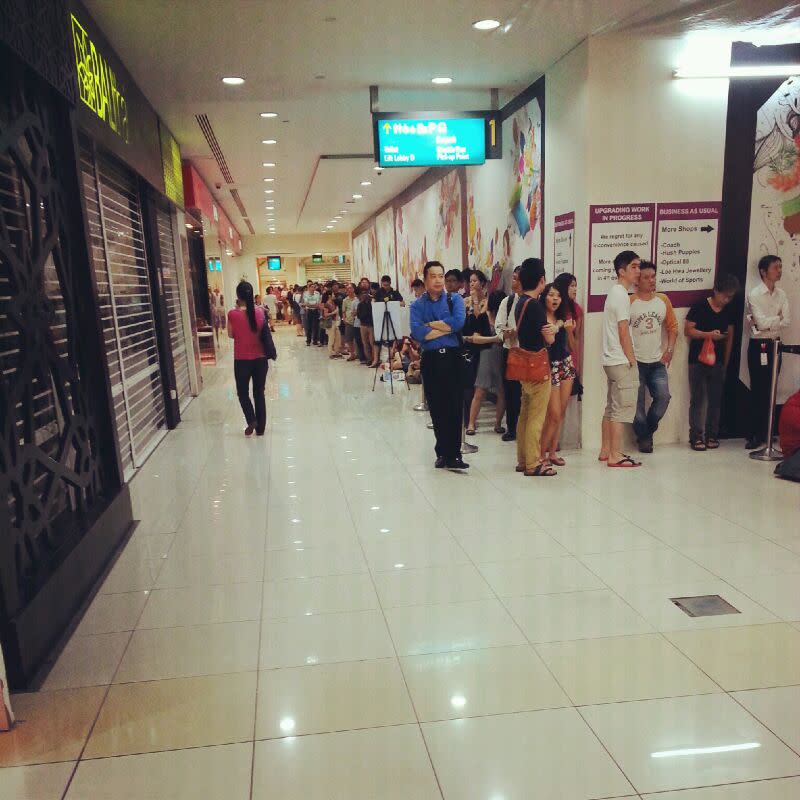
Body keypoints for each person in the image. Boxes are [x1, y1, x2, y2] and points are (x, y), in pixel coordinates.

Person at [410, 260, 468, 470]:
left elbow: (458, 323)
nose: (438, 280)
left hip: (453, 357)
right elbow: (417, 332)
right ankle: (442, 452)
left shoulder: (455, 300)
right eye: (433, 276)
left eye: (440, 276)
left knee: (454, 406)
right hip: (431, 360)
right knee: (436, 408)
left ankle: (454, 454)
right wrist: (446, 328)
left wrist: (431, 327)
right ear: (425, 280)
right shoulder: (417, 305)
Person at [629, 261, 678, 453]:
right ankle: (644, 437)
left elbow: (673, 327)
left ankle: (646, 432)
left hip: (657, 361)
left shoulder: (663, 300)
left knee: (664, 397)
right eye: (646, 277)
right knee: (636, 405)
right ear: (637, 282)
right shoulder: (630, 302)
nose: (651, 281)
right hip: (636, 362)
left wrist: (670, 350)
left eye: (653, 276)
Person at [685, 274, 739, 450]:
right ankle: (696, 436)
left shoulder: (729, 311)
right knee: (697, 399)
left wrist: (726, 360)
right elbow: (688, 331)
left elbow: (729, 336)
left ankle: (712, 434)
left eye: (730, 296)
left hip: (718, 361)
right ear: (716, 290)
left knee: (715, 400)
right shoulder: (700, 306)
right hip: (697, 359)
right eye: (724, 295)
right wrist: (708, 335)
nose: (726, 299)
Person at [514, 258, 556, 476]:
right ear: (541, 280)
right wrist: (554, 331)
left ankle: (522, 459)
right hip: (538, 366)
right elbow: (548, 339)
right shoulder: (537, 307)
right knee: (536, 417)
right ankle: (533, 463)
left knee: (525, 414)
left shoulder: (520, 303)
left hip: (524, 365)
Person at [599, 250, 641, 467]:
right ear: (621, 271)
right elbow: (623, 330)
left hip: (610, 360)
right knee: (620, 408)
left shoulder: (614, 292)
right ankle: (615, 455)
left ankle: (606, 450)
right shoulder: (621, 294)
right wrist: (632, 360)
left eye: (638, 266)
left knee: (610, 406)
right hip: (619, 360)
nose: (638, 271)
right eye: (634, 267)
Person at [746, 255, 791, 449]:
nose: (779, 270)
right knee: (759, 389)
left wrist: (769, 322)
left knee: (772, 389)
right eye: (775, 267)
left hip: (776, 344)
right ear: (764, 272)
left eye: (781, 267)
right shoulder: (754, 294)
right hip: (759, 346)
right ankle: (755, 433)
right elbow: (760, 323)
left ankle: (768, 431)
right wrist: (776, 320)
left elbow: (787, 321)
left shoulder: (781, 294)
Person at [539, 282, 577, 467]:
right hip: (549, 366)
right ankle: (540, 454)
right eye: (551, 295)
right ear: (544, 296)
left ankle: (552, 452)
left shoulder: (561, 317)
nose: (555, 299)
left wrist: (560, 325)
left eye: (558, 296)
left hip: (566, 363)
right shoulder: (540, 316)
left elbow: (565, 326)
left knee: (561, 412)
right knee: (552, 414)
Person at [227, 281, 268, 436]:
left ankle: (251, 420)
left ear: (238, 296)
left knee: (243, 393)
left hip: (242, 359)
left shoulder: (233, 314)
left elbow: (231, 335)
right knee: (259, 392)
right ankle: (261, 428)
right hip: (261, 359)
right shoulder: (260, 312)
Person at [465, 289, 507, 435]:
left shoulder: (505, 319)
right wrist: (494, 339)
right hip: (487, 355)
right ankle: (471, 424)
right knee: (480, 389)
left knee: (502, 391)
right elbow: (476, 338)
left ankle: (497, 424)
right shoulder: (483, 317)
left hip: (501, 355)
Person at [495, 266, 522, 441]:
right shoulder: (508, 301)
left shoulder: (536, 301)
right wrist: (506, 334)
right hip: (510, 352)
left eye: (517, 278)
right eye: (512, 278)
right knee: (511, 392)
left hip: (528, 352)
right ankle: (512, 428)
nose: (514, 282)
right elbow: (498, 326)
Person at [553, 272, 583, 375]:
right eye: (572, 286)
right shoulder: (554, 308)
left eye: (576, 286)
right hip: (553, 358)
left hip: (570, 359)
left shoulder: (577, 309)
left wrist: (577, 363)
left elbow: (577, 339)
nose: (575, 289)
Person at [356, 288, 377, 366]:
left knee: (372, 343)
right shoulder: (360, 304)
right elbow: (359, 315)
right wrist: (365, 315)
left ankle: (375, 358)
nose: (365, 295)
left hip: (371, 326)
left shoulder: (372, 304)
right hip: (363, 326)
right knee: (365, 343)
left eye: (366, 293)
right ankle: (369, 359)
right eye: (363, 293)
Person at [321, 289, 342, 358]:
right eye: (333, 294)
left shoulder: (334, 303)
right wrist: (334, 312)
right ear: (329, 296)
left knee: (337, 337)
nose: (334, 296)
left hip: (335, 322)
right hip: (330, 322)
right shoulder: (326, 304)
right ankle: (331, 353)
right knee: (331, 338)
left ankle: (336, 352)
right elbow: (325, 314)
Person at [342, 282, 359, 361]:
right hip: (349, 321)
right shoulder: (345, 300)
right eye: (347, 288)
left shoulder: (357, 299)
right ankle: (352, 354)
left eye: (350, 288)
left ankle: (357, 353)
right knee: (349, 338)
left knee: (358, 339)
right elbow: (343, 311)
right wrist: (344, 319)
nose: (348, 290)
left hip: (357, 321)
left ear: (354, 289)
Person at [302, 280, 321, 346]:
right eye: (312, 287)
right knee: (309, 327)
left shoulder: (317, 293)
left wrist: (312, 305)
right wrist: (313, 305)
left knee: (315, 326)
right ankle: (308, 341)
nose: (313, 288)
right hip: (309, 311)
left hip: (316, 311)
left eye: (314, 287)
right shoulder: (305, 293)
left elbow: (318, 304)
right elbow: (306, 304)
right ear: (309, 288)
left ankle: (315, 340)